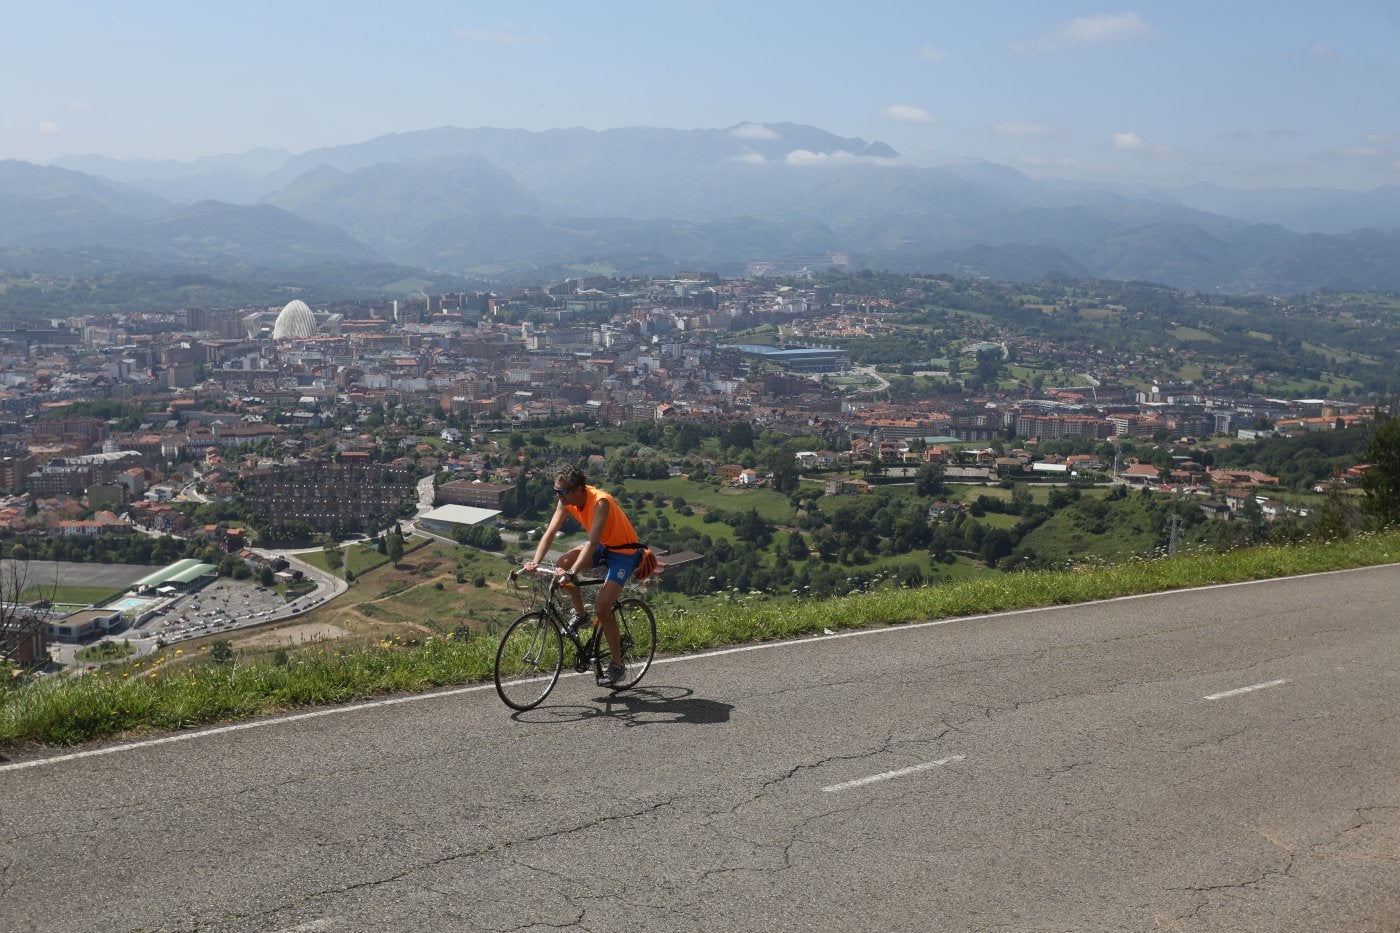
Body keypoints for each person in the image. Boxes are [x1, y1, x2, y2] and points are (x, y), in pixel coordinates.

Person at [524, 464, 643, 686]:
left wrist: (572, 573)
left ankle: (617, 664)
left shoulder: (600, 501)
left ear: (579, 489)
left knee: (602, 607)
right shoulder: (566, 501)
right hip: (605, 547)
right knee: (563, 562)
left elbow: (592, 542)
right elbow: (550, 531)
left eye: (562, 491)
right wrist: (535, 562)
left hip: (624, 553)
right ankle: (581, 615)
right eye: (556, 491)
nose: (558, 496)